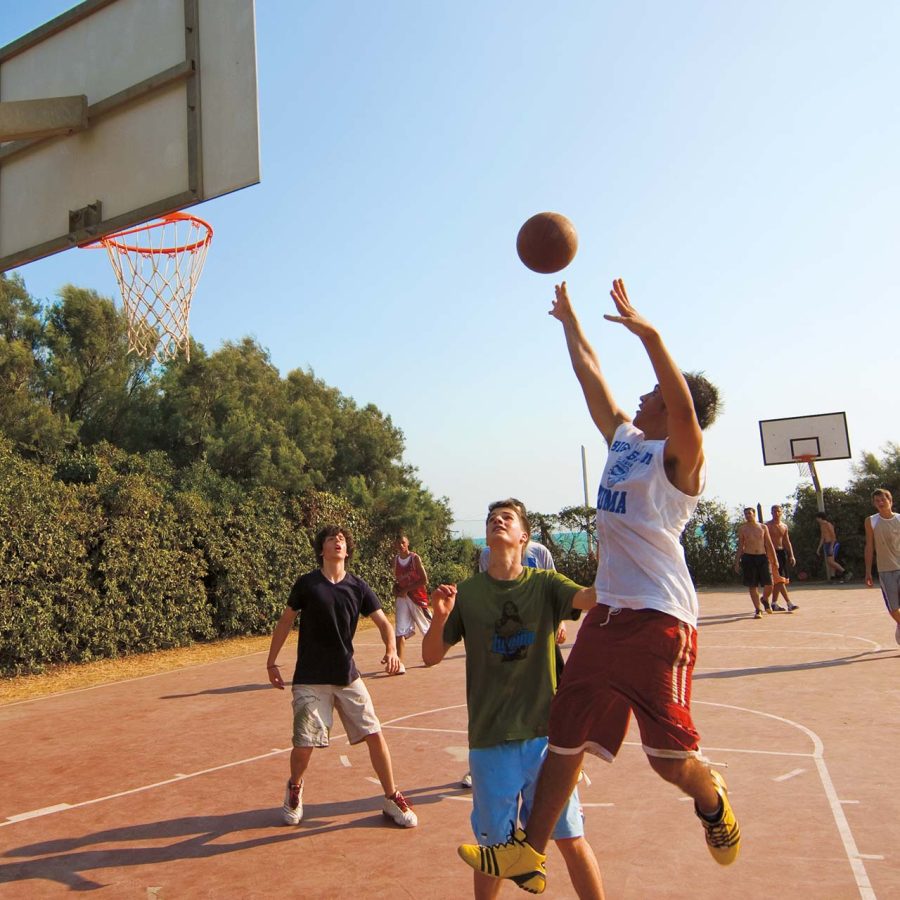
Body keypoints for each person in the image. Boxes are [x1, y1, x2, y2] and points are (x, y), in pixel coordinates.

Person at [458, 279, 739, 894]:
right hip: (610, 614)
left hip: (660, 619)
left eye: (654, 393)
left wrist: (652, 336)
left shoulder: (681, 458)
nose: (639, 397)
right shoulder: (626, 442)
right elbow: (590, 375)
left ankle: (712, 798)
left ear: (671, 402)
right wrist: (569, 321)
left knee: (669, 763)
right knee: (565, 729)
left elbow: (685, 410)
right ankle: (527, 854)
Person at [423, 498, 604, 899]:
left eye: (507, 518)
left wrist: (624, 548)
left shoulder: (544, 585)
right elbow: (430, 656)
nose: (497, 522)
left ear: (524, 537)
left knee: (571, 837)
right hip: (490, 740)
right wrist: (438, 617)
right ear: (487, 538)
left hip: (546, 739)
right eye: (491, 519)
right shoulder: (467, 594)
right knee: (494, 853)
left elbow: (591, 599)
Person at [266, 524, 417, 828]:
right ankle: (294, 787)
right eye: (330, 539)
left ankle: (391, 796)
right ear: (321, 550)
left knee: (375, 734)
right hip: (310, 677)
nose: (337, 542)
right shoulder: (307, 584)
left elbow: (385, 624)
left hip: (348, 676)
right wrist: (272, 662)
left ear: (348, 551)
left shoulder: (358, 587)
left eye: (342, 540)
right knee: (304, 743)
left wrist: (392, 650)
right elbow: (285, 622)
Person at [459, 537, 568, 790]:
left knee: (554, 697)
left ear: (523, 531)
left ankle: (563, 757)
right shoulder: (488, 555)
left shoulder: (539, 552)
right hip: (505, 638)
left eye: (511, 517)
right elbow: (487, 594)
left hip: (539, 636)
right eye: (495, 518)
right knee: (495, 699)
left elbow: (556, 591)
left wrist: (559, 622)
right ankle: (479, 767)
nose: (502, 523)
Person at [864, 488, 900, 645]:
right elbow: (869, 546)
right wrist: (868, 572)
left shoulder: (899, 519)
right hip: (885, 569)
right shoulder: (871, 521)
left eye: (882, 500)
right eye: (876, 501)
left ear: (890, 501)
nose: (879, 503)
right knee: (893, 608)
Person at [391, 533, 431, 675]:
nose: (401, 545)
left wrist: (407, 590)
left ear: (407, 543)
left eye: (403, 542)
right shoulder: (395, 561)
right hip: (402, 598)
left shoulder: (414, 559)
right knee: (400, 629)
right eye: (398, 543)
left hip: (417, 597)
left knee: (427, 629)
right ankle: (400, 664)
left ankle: (430, 656)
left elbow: (424, 580)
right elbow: (397, 581)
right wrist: (396, 589)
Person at [735, 507, 778, 619]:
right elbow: (741, 546)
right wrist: (736, 562)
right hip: (749, 558)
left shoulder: (763, 527)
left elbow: (769, 544)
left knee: (770, 583)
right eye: (746, 514)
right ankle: (758, 609)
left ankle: (764, 599)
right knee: (752, 585)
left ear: (754, 514)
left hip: (762, 557)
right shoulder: (743, 529)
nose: (748, 515)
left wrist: (775, 560)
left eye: (749, 513)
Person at [764, 505, 798, 612]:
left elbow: (787, 541)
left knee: (781, 579)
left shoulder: (784, 526)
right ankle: (788, 603)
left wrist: (791, 555)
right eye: (774, 511)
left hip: (781, 552)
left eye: (778, 511)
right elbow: (763, 541)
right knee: (779, 579)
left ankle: (774, 603)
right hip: (771, 553)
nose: (776, 513)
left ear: (781, 512)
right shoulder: (767, 526)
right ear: (771, 513)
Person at [816, 512, 851, 582]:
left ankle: (846, 572)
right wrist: (819, 548)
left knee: (830, 561)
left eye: (817, 518)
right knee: (831, 562)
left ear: (820, 518)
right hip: (826, 544)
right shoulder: (822, 526)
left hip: (833, 543)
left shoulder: (828, 524)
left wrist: (831, 547)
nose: (816, 520)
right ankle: (833, 577)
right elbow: (822, 537)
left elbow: (833, 536)